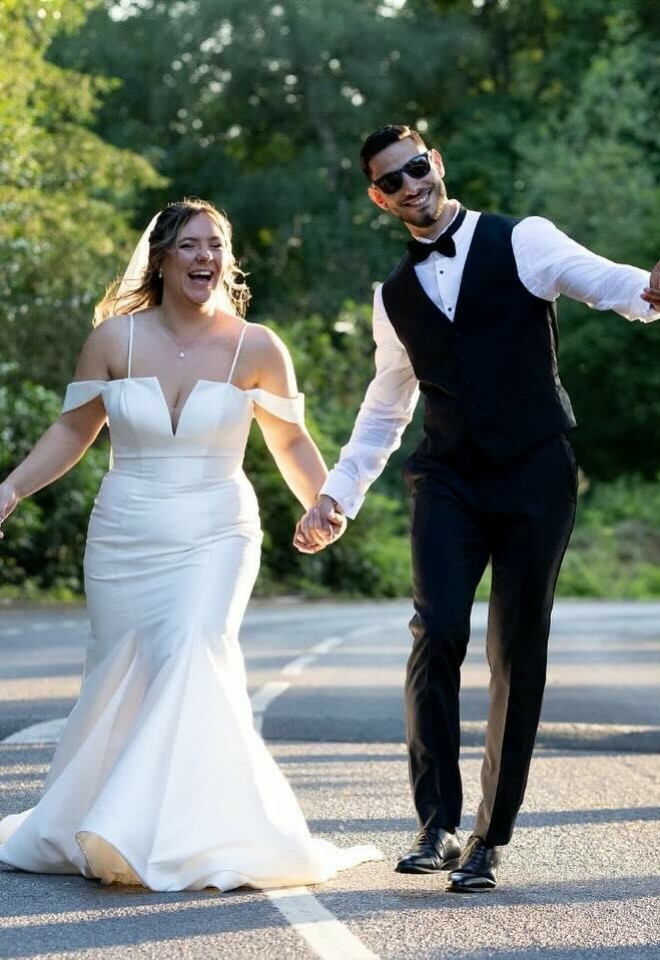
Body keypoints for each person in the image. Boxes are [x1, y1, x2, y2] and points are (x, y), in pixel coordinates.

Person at [294, 125, 660, 892]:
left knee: (516, 650)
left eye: (417, 168)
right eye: (392, 180)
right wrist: (337, 494)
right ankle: (437, 822)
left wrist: (649, 289)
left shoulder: (523, 240)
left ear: (438, 164)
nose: (411, 185)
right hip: (449, 477)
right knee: (438, 632)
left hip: (536, 472)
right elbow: (385, 407)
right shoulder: (391, 297)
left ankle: (490, 836)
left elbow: (606, 282)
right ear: (378, 196)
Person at [0, 198, 380, 892]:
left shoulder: (257, 345)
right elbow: (73, 431)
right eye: (191, 246)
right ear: (163, 257)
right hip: (126, 531)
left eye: (217, 246)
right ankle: (109, 817)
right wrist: (12, 488)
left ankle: (180, 830)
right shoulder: (114, 340)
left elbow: (288, 439)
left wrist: (326, 501)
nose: (206, 257)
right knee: (124, 673)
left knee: (197, 649)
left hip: (217, 528)